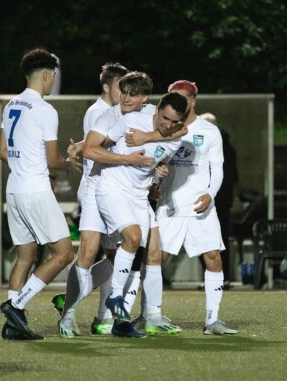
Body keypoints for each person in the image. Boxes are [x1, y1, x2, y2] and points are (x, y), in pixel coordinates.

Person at [85, 92, 189, 338]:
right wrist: (122, 156)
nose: (168, 125)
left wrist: (153, 158)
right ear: (157, 108)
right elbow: (95, 146)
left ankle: (134, 319)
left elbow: (179, 132)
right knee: (132, 238)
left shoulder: (175, 137)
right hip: (113, 188)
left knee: (152, 254)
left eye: (174, 121)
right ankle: (114, 299)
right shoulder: (131, 119)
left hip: (139, 196)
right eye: (165, 118)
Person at [0, 48, 78, 341]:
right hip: (35, 189)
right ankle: (16, 306)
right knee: (64, 253)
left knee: (25, 255)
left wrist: (26, 160)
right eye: (53, 76)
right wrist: (69, 164)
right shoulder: (45, 110)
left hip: (15, 190)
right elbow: (53, 160)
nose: (53, 81)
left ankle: (12, 326)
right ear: (46, 75)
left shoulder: (10, 105)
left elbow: (2, 152)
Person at [51, 62, 129, 338]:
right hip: (96, 191)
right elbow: (99, 147)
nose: (125, 92)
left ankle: (96, 313)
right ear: (107, 87)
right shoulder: (98, 111)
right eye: (121, 86)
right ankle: (71, 313)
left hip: (112, 191)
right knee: (89, 253)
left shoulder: (119, 110)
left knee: (118, 256)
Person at [156, 81, 237, 335]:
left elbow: (219, 169)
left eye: (182, 99)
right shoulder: (164, 127)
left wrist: (210, 195)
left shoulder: (209, 130)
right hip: (170, 205)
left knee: (213, 258)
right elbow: (152, 161)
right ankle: (152, 315)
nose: (177, 104)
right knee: (157, 260)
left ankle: (212, 321)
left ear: (193, 101)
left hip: (201, 207)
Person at [200, 112, 237, 288]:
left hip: (213, 200)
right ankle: (220, 277)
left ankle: (214, 277)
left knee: (210, 238)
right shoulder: (229, 147)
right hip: (221, 200)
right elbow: (234, 176)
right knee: (217, 238)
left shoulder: (212, 146)